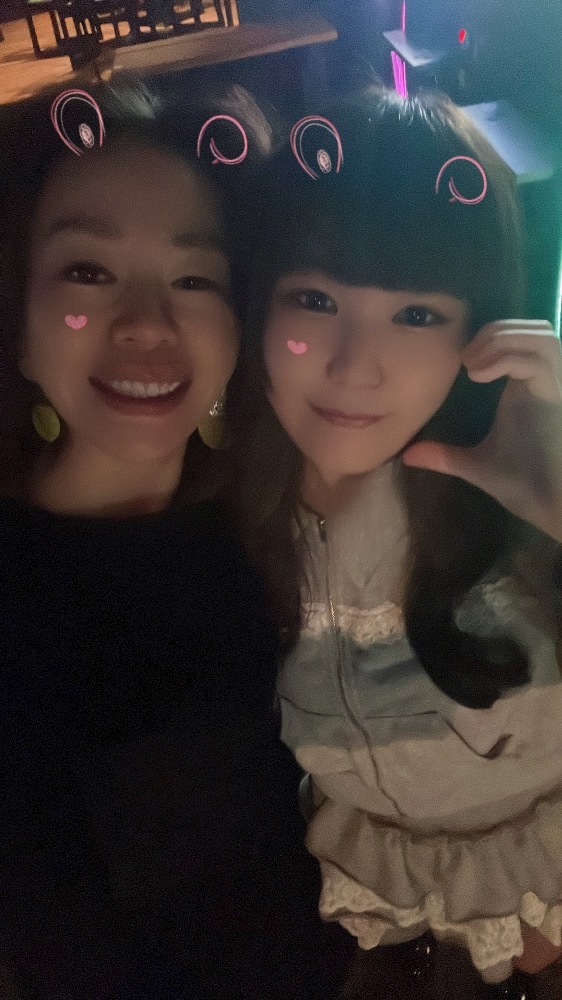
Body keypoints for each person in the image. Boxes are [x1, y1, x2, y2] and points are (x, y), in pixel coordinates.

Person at [0, 84, 354, 999]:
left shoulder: (282, 520)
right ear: (19, 324)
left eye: (195, 279)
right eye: (87, 271)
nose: (148, 324)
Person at [230, 86, 562, 999]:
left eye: (416, 314)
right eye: (314, 299)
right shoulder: (228, 497)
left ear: (481, 332)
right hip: (369, 884)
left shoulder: (512, 489)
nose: (354, 366)